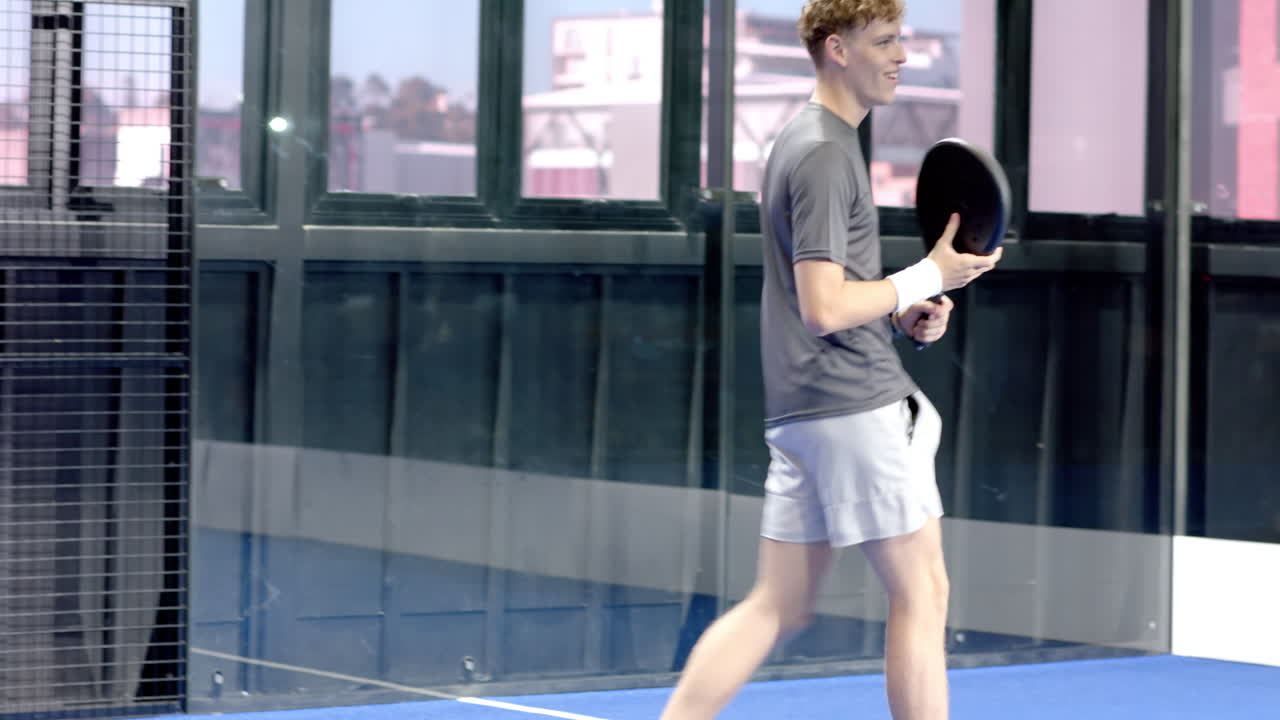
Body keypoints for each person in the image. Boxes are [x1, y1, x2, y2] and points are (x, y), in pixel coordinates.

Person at [657, 2, 1003, 719]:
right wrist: (928, 277)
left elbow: (836, 294)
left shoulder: (810, 142)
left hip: (806, 412)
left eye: (901, 38)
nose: (902, 54)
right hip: (855, 410)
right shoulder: (822, 153)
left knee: (776, 605)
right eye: (885, 41)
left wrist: (907, 313)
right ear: (838, 50)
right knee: (923, 591)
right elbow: (821, 306)